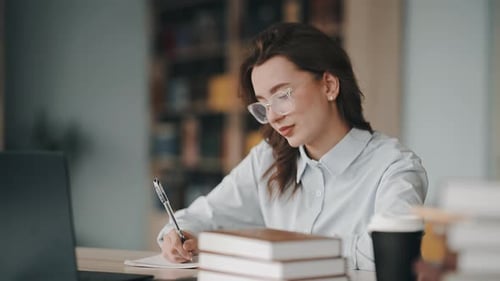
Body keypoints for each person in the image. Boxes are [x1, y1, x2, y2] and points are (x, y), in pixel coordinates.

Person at [157, 22, 428, 270]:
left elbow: (389, 252)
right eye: (263, 104)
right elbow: (198, 218)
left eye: (283, 95)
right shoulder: (268, 158)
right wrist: (180, 236)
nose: (273, 116)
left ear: (329, 85)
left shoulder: (394, 166)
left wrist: (286, 248)